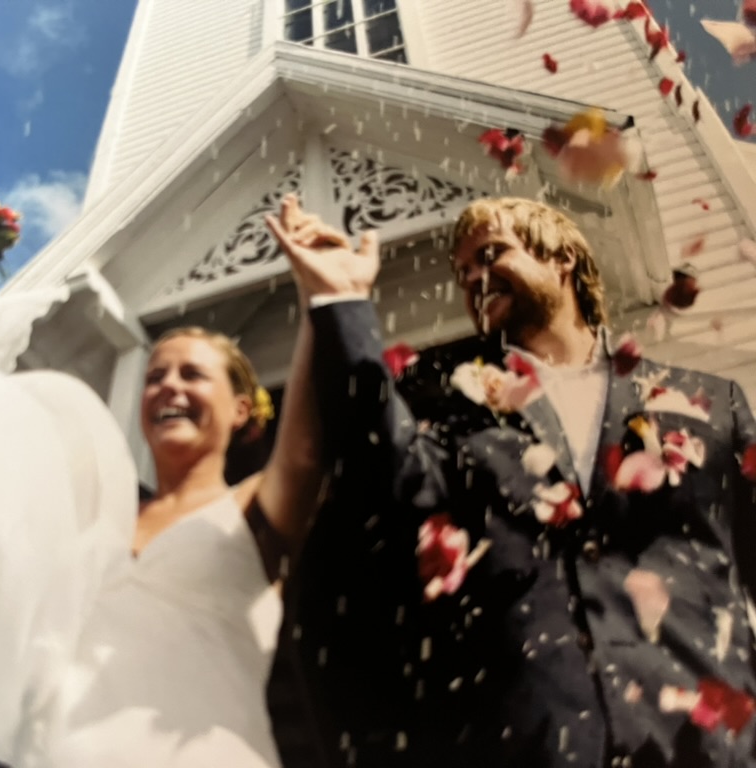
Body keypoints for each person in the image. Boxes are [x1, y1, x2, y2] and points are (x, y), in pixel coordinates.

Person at [273, 196, 756, 768]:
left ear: (563, 259)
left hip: (706, 748)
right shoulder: (449, 407)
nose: (474, 278)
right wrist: (341, 300)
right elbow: (379, 469)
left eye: (490, 254)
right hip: (532, 745)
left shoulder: (710, 405)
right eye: (463, 274)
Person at [0, 197, 328, 768]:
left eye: (192, 374)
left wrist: (320, 297)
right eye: (154, 376)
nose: (167, 387)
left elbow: (305, 452)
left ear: (241, 410)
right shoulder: (104, 513)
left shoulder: (252, 506)